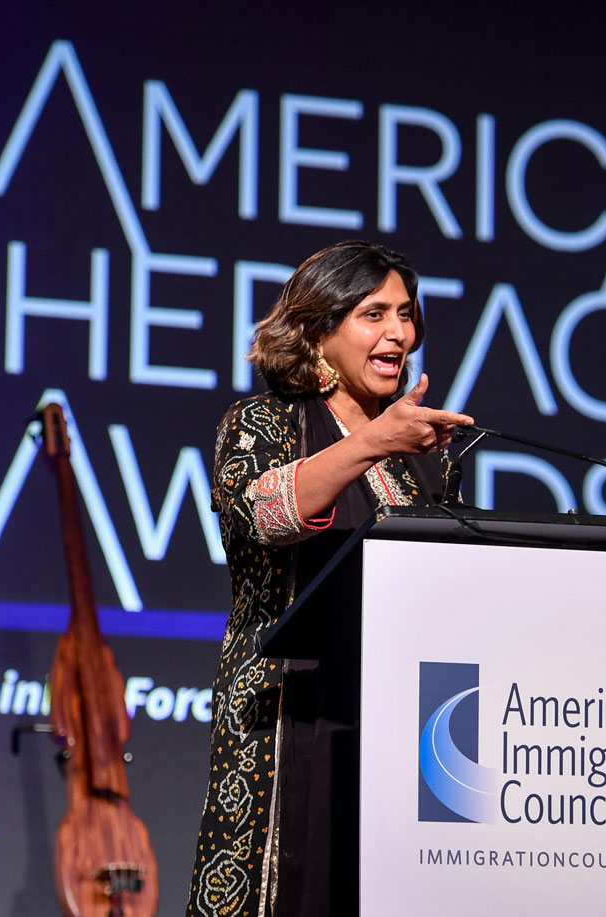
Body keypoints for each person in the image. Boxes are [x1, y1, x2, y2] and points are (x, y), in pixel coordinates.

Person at [185, 240, 472, 917]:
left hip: (403, 729)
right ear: (319, 328)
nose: (399, 333)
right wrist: (371, 441)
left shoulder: (427, 457)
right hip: (286, 718)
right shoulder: (264, 422)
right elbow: (263, 516)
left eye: (405, 314)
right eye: (374, 314)